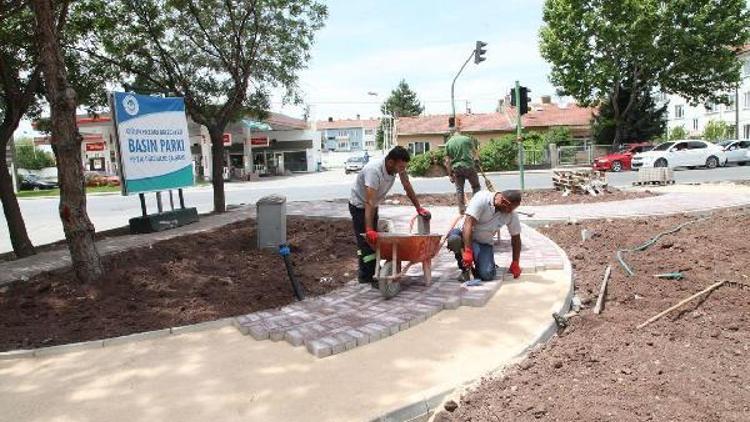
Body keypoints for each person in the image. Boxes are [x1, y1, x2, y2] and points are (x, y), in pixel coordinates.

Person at [349, 146, 431, 287]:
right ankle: (370, 277)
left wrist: (418, 208)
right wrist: (369, 228)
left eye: (404, 167)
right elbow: (369, 201)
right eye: (401, 166)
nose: (402, 169)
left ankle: (366, 274)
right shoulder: (373, 171)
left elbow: (406, 185)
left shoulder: (396, 167)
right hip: (359, 205)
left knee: (371, 243)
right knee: (366, 242)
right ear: (391, 162)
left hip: (372, 205)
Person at [446, 190, 523, 281]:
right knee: (454, 240)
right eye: (510, 208)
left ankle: (480, 264)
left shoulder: (511, 214)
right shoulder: (482, 198)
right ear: (503, 201)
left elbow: (516, 238)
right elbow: (468, 224)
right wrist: (468, 251)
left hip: (483, 242)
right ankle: (465, 269)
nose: (510, 211)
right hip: (463, 234)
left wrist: (515, 262)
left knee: (487, 274)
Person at [444, 131, 481, 214]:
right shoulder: (467, 139)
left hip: (457, 168)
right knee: (476, 186)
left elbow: (447, 161)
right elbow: (474, 152)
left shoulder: (448, 143)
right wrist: (477, 161)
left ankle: (461, 209)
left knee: (459, 189)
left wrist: (450, 174)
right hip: (469, 166)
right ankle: (476, 206)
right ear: (460, 133)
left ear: (452, 135)